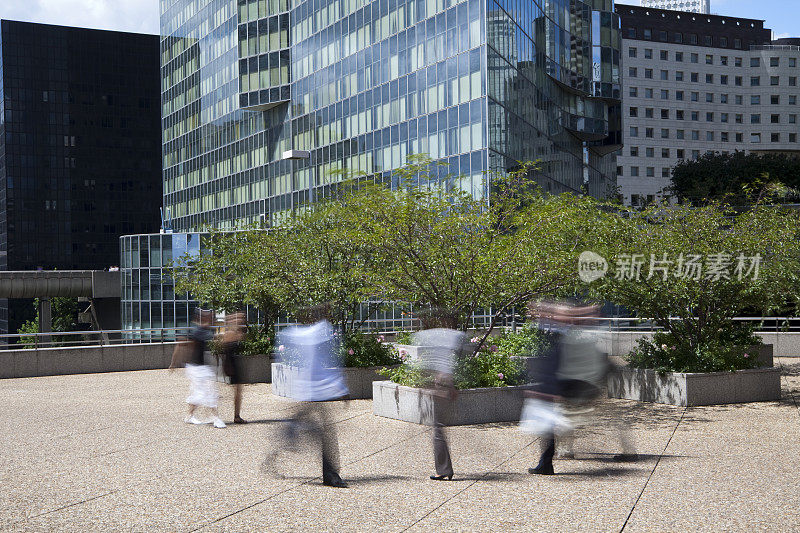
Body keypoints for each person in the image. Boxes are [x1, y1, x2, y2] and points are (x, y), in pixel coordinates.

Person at [526, 301, 609, 475]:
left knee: (550, 421)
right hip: (556, 379)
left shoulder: (564, 330)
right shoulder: (558, 329)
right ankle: (546, 462)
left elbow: (568, 315)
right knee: (548, 423)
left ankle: (547, 463)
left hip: (560, 380)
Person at [273, 305, 349, 488]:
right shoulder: (319, 332)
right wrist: (341, 387)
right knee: (327, 432)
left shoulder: (308, 333)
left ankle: (287, 435)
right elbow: (326, 363)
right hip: (316, 390)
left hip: (314, 390)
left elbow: (284, 337)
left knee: (318, 428)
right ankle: (330, 475)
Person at [413, 318, 466, 481]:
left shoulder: (432, 337)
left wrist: (441, 387)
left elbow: (438, 367)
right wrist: (451, 387)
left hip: (440, 388)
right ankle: (444, 469)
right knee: (439, 429)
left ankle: (444, 470)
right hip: (444, 387)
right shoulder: (451, 337)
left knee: (438, 430)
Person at [170, 309, 226, 428]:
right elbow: (181, 344)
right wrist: (173, 363)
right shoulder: (198, 331)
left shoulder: (201, 330)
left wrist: (174, 363)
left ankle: (190, 416)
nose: (212, 320)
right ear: (203, 318)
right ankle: (215, 418)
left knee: (201, 392)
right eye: (210, 318)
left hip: (199, 367)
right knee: (208, 391)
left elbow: (181, 344)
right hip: (196, 369)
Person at [220, 312, 247, 424]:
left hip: (233, 363)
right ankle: (236, 416)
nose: (241, 321)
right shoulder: (230, 333)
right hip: (231, 364)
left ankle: (237, 415)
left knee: (238, 391)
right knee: (237, 391)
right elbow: (226, 351)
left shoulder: (233, 332)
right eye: (239, 319)